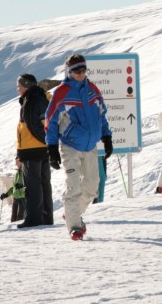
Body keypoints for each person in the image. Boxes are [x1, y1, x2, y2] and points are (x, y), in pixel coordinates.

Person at [45, 54, 113, 240]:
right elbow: (50, 122)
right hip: (70, 146)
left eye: (84, 70)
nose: (81, 74)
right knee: (74, 185)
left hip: (90, 145)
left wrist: (107, 137)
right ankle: (75, 226)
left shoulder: (92, 89)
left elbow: (101, 115)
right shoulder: (62, 92)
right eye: (77, 71)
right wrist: (51, 148)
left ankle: (72, 212)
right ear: (69, 71)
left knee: (92, 186)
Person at [15, 72, 54, 228]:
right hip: (42, 149)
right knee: (44, 184)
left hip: (32, 150)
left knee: (33, 186)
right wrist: (48, 144)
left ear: (25, 86)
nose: (17, 89)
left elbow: (32, 125)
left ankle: (33, 219)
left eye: (18, 86)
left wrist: (22, 152)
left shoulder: (31, 100)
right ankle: (46, 218)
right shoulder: (42, 97)